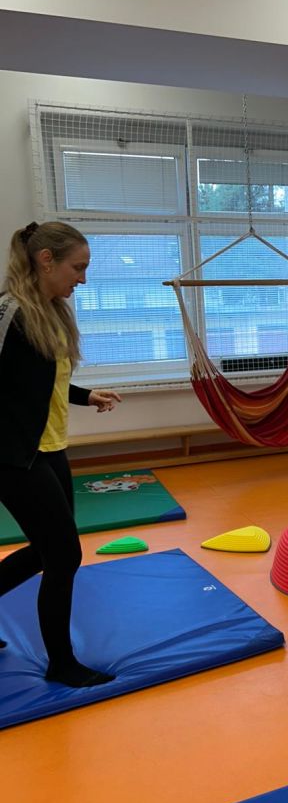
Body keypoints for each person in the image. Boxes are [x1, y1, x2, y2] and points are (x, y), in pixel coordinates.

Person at [0, 221, 121, 687]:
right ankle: (61, 663)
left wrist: (85, 395)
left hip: (49, 447)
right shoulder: (11, 313)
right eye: (78, 268)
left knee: (45, 551)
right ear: (45, 260)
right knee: (63, 555)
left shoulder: (50, 311)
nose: (82, 279)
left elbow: (39, 383)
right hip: (14, 455)